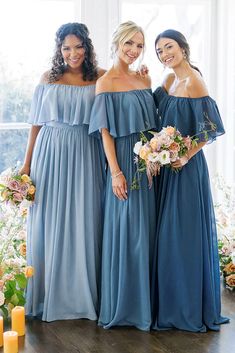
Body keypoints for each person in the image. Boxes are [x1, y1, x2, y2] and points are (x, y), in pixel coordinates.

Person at [20, 22, 106, 321]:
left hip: (85, 150)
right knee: (50, 219)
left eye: (78, 46)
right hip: (51, 151)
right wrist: (27, 163)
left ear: (87, 47)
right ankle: (48, 296)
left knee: (85, 218)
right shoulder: (49, 77)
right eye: (67, 47)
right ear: (60, 49)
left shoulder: (100, 77)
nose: (73, 53)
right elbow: (36, 123)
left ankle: (82, 296)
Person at [151, 29, 229, 332]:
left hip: (187, 170)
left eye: (168, 47)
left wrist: (186, 154)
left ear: (182, 47)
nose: (164, 54)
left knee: (182, 238)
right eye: (159, 51)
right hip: (166, 169)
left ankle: (186, 309)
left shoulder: (195, 81)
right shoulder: (169, 80)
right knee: (167, 237)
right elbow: (154, 110)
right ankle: (169, 304)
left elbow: (211, 128)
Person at [89, 21, 158, 331]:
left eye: (140, 46)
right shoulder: (106, 82)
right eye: (129, 43)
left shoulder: (144, 80)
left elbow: (152, 127)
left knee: (146, 233)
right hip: (122, 164)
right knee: (126, 233)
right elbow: (104, 132)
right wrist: (115, 172)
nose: (134, 50)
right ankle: (125, 306)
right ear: (116, 43)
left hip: (147, 163)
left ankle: (146, 306)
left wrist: (155, 158)